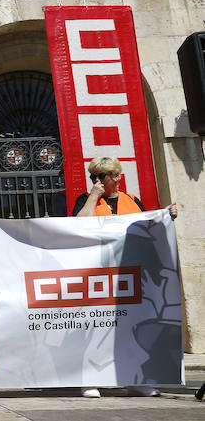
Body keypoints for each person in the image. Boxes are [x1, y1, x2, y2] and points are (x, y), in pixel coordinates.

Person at [72, 156, 177, 398]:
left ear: (117, 177)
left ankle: (136, 380)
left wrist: (166, 215)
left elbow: (149, 228)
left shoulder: (132, 201)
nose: (96, 181)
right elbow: (78, 225)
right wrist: (93, 196)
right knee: (96, 326)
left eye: (101, 176)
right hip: (97, 272)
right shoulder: (86, 200)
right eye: (93, 177)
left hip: (130, 274)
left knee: (132, 326)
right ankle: (90, 380)